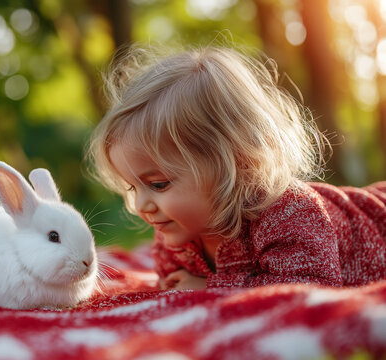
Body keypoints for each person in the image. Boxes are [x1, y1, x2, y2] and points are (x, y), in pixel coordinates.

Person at [87, 45, 386, 290]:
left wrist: (212, 286)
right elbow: (173, 284)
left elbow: (309, 287)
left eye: (158, 184)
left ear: (238, 162)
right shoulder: (175, 232)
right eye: (131, 186)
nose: (141, 205)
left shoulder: (289, 212)